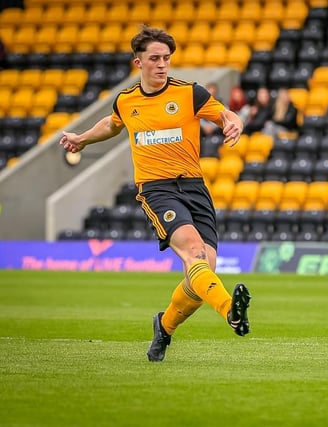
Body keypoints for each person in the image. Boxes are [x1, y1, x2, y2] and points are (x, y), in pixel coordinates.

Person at [59, 25, 251, 362]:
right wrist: (83, 138)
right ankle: (230, 313)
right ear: (139, 63)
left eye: (166, 58)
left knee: (203, 270)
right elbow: (112, 124)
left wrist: (233, 122)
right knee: (195, 253)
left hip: (194, 186)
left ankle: (164, 327)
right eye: (155, 58)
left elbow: (224, 112)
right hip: (157, 190)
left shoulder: (189, 93)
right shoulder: (127, 100)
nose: (162, 64)